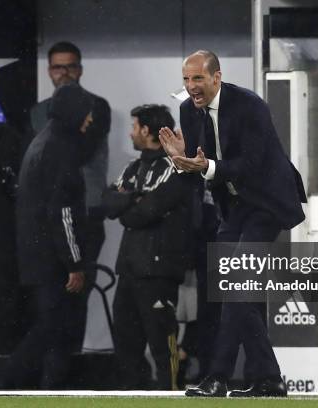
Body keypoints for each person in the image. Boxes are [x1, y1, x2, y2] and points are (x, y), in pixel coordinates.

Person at [159, 50, 306, 398]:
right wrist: (180, 160)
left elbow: (252, 165)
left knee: (237, 284)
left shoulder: (249, 105)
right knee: (238, 291)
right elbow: (197, 165)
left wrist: (202, 165)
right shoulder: (186, 110)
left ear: (217, 77)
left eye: (198, 79)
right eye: (186, 79)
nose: (191, 87)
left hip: (266, 203)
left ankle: (218, 377)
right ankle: (269, 378)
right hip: (233, 206)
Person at [2, 83, 93, 388]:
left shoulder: (43, 142)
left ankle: (44, 391)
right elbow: (62, 212)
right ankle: (4, 384)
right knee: (54, 330)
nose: (90, 119)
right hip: (53, 261)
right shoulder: (60, 150)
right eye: (85, 112)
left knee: (53, 331)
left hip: (37, 257)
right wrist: (74, 262)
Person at [102, 104, 191, 390]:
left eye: (134, 126)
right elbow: (107, 203)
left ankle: (172, 396)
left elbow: (147, 211)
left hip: (158, 271)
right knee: (126, 348)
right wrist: (135, 198)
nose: (130, 132)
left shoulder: (175, 167)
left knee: (163, 347)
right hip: (128, 269)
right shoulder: (132, 167)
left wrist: (129, 202)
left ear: (146, 130)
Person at [30, 41, 111, 352]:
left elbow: (77, 151)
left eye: (70, 66)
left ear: (80, 69)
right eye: (57, 67)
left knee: (77, 297)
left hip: (86, 214)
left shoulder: (97, 107)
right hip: (48, 218)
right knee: (51, 302)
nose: (64, 73)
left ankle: (71, 370)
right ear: (49, 71)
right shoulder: (37, 112)